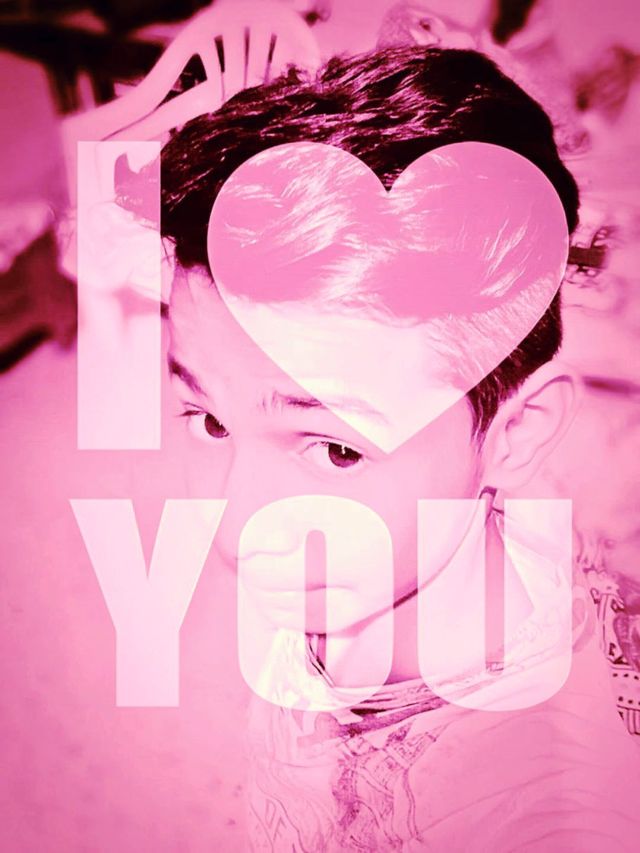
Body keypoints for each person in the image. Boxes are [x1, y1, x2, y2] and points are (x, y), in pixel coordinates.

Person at [152, 46, 640, 851]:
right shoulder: (362, 569)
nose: (235, 528)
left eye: (336, 451)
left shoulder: (546, 813)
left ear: (516, 432)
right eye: (211, 420)